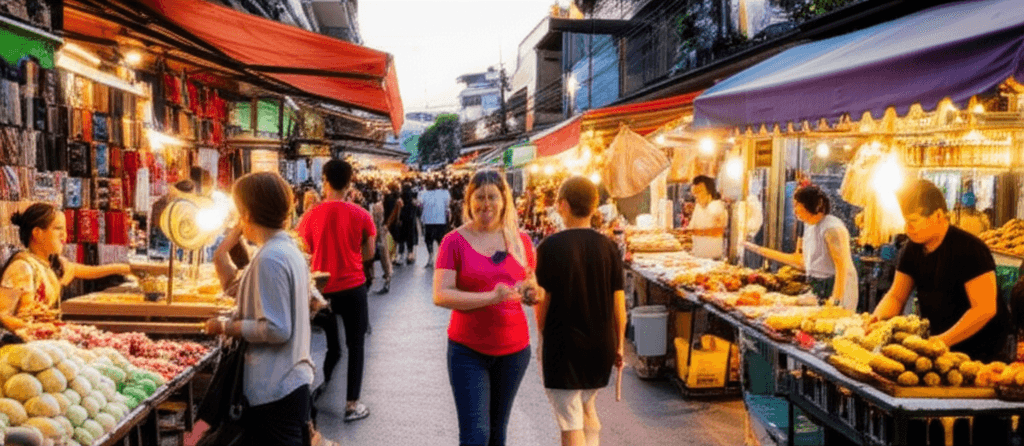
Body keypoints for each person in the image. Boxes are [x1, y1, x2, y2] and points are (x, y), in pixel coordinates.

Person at [205, 172, 313, 446]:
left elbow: (277, 329)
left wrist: (226, 326)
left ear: (247, 213)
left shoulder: (271, 258)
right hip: (287, 382)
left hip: (275, 387)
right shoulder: (283, 250)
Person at [432, 169, 537, 446]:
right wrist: (491, 297)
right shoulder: (453, 241)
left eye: (492, 197)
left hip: (514, 350)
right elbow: (441, 295)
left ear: (504, 200)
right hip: (468, 351)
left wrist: (531, 293)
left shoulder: (520, 241)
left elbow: (530, 282)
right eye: (479, 197)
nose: (486, 204)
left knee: (496, 432)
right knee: (475, 435)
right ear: (468, 201)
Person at [872, 179, 1010, 362]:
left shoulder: (970, 249)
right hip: (940, 346)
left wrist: (941, 341)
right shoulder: (912, 249)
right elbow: (896, 295)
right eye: (905, 221)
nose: (908, 228)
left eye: (913, 221)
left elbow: (984, 309)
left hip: (982, 353)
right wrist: (876, 321)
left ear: (937, 215)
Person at [534, 176, 626, 446]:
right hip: (601, 345)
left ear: (563, 205)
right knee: (587, 409)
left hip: (564, 345)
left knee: (569, 420)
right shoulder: (609, 247)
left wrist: (541, 340)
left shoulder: (549, 247)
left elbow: (543, 302)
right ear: (594, 205)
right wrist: (619, 344)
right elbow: (619, 303)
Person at [296, 159, 375, 422]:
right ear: (350, 182)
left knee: (330, 346)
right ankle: (352, 404)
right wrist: (352, 257)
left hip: (322, 290)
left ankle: (317, 390)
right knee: (356, 346)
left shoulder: (310, 216)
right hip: (354, 288)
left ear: (325, 180)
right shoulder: (362, 215)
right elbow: (370, 252)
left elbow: (303, 252)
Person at [0, 203, 133, 328]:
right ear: (37, 233)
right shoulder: (22, 267)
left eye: (65, 229)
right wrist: (34, 328)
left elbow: (90, 271)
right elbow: (2, 315)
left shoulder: (53, 263)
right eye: (58, 229)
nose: (64, 235)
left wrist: (127, 269)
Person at [745, 185, 859, 311]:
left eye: (797, 205)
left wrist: (836, 300)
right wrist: (758, 250)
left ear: (809, 205)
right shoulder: (809, 226)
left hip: (838, 288)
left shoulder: (832, 228)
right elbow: (801, 261)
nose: (794, 210)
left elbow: (841, 267)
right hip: (818, 286)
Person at [685, 175, 727, 259]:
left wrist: (698, 232)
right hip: (697, 256)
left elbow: (719, 231)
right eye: (694, 193)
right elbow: (691, 229)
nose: (696, 196)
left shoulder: (717, 207)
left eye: (699, 192)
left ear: (709, 191)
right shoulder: (698, 207)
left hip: (713, 259)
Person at [365, 190, 393, 294]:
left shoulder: (376, 207)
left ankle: (372, 280)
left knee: (372, 258)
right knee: (384, 258)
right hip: (382, 234)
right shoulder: (382, 205)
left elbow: (375, 222)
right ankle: (387, 279)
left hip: (377, 234)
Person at [419, 179, 452, 267]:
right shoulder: (445, 193)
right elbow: (448, 204)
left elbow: (420, 204)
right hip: (441, 220)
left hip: (428, 221)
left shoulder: (424, 194)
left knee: (429, 240)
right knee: (440, 240)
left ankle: (431, 257)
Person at [397, 182, 420, 265]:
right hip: (411, 222)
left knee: (402, 240)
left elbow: (399, 212)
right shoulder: (413, 201)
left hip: (402, 222)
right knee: (410, 239)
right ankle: (410, 256)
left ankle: (399, 257)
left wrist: (399, 220)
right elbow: (418, 212)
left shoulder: (400, 200)